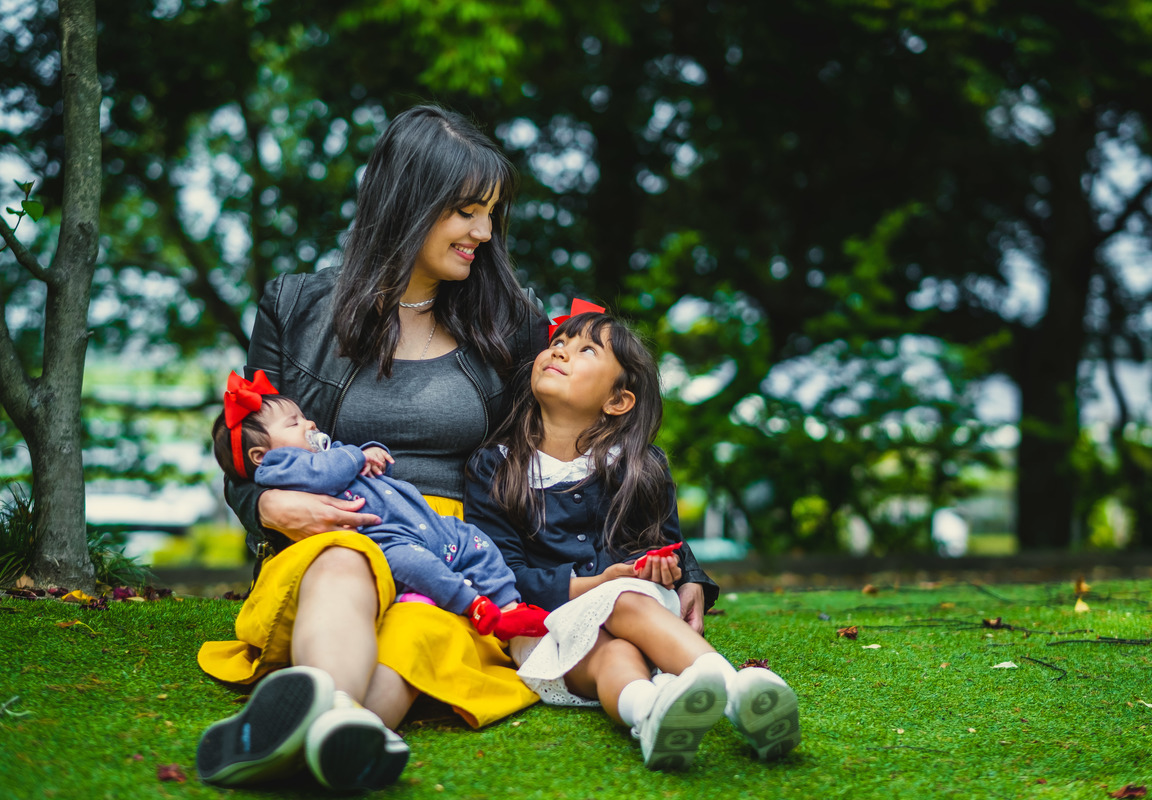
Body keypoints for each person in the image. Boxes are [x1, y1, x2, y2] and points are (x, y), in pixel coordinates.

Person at [195, 104, 549, 792]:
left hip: (454, 554)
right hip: (340, 532)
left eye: (490, 213)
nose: (483, 232)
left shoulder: (510, 319)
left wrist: (675, 560)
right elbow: (246, 454)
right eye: (466, 211)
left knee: (422, 634)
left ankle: (322, 728)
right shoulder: (296, 308)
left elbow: (587, 446)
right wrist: (268, 505)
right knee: (343, 564)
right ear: (410, 204)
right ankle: (337, 735)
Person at [464, 311, 802, 770]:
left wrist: (668, 569)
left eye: (586, 349)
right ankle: (675, 702)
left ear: (618, 401)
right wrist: (600, 582)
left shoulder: (640, 465)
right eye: (559, 341)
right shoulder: (495, 468)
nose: (560, 349)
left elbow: (669, 546)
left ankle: (697, 703)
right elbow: (502, 574)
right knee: (613, 646)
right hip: (547, 631)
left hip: (641, 616)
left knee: (624, 599)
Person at [211, 371, 549, 639]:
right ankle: (471, 604)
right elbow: (325, 473)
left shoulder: (327, 454)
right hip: (387, 538)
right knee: (416, 566)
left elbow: (343, 456)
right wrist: (357, 455)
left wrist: (367, 451)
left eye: (303, 417)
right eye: (294, 423)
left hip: (430, 524)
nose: (310, 424)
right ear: (260, 456)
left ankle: (509, 607)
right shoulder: (279, 466)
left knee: (476, 542)